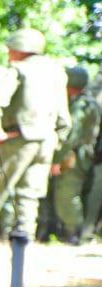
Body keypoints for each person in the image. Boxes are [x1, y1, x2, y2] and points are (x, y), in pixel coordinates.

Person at [0, 28, 71, 259]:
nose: (9, 53)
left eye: (10, 49)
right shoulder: (57, 73)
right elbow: (64, 119)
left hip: (18, 139)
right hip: (46, 141)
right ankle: (23, 241)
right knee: (30, 194)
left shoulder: (19, 70)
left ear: (19, 49)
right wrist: (56, 142)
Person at [51, 65, 102, 244]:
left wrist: (57, 160)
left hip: (73, 156)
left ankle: (72, 233)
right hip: (82, 155)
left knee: (67, 193)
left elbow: (71, 136)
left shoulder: (80, 105)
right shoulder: (88, 102)